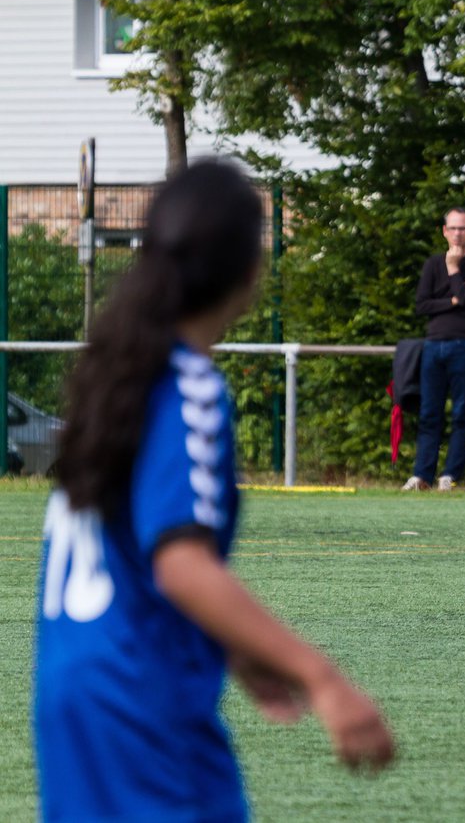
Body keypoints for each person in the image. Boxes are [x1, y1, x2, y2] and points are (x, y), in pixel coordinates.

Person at [33, 162, 395, 822]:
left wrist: (237, 651)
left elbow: (130, 559)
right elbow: (179, 564)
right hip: (141, 697)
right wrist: (323, 678)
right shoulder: (187, 387)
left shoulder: (116, 376)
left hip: (72, 692)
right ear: (247, 272)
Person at [402, 207, 465, 492]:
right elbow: (422, 305)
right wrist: (454, 300)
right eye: (452, 228)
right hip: (433, 346)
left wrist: (454, 271)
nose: (457, 233)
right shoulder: (431, 264)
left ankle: (450, 475)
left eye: (462, 228)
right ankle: (422, 475)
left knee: (461, 413)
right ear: (444, 231)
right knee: (430, 413)